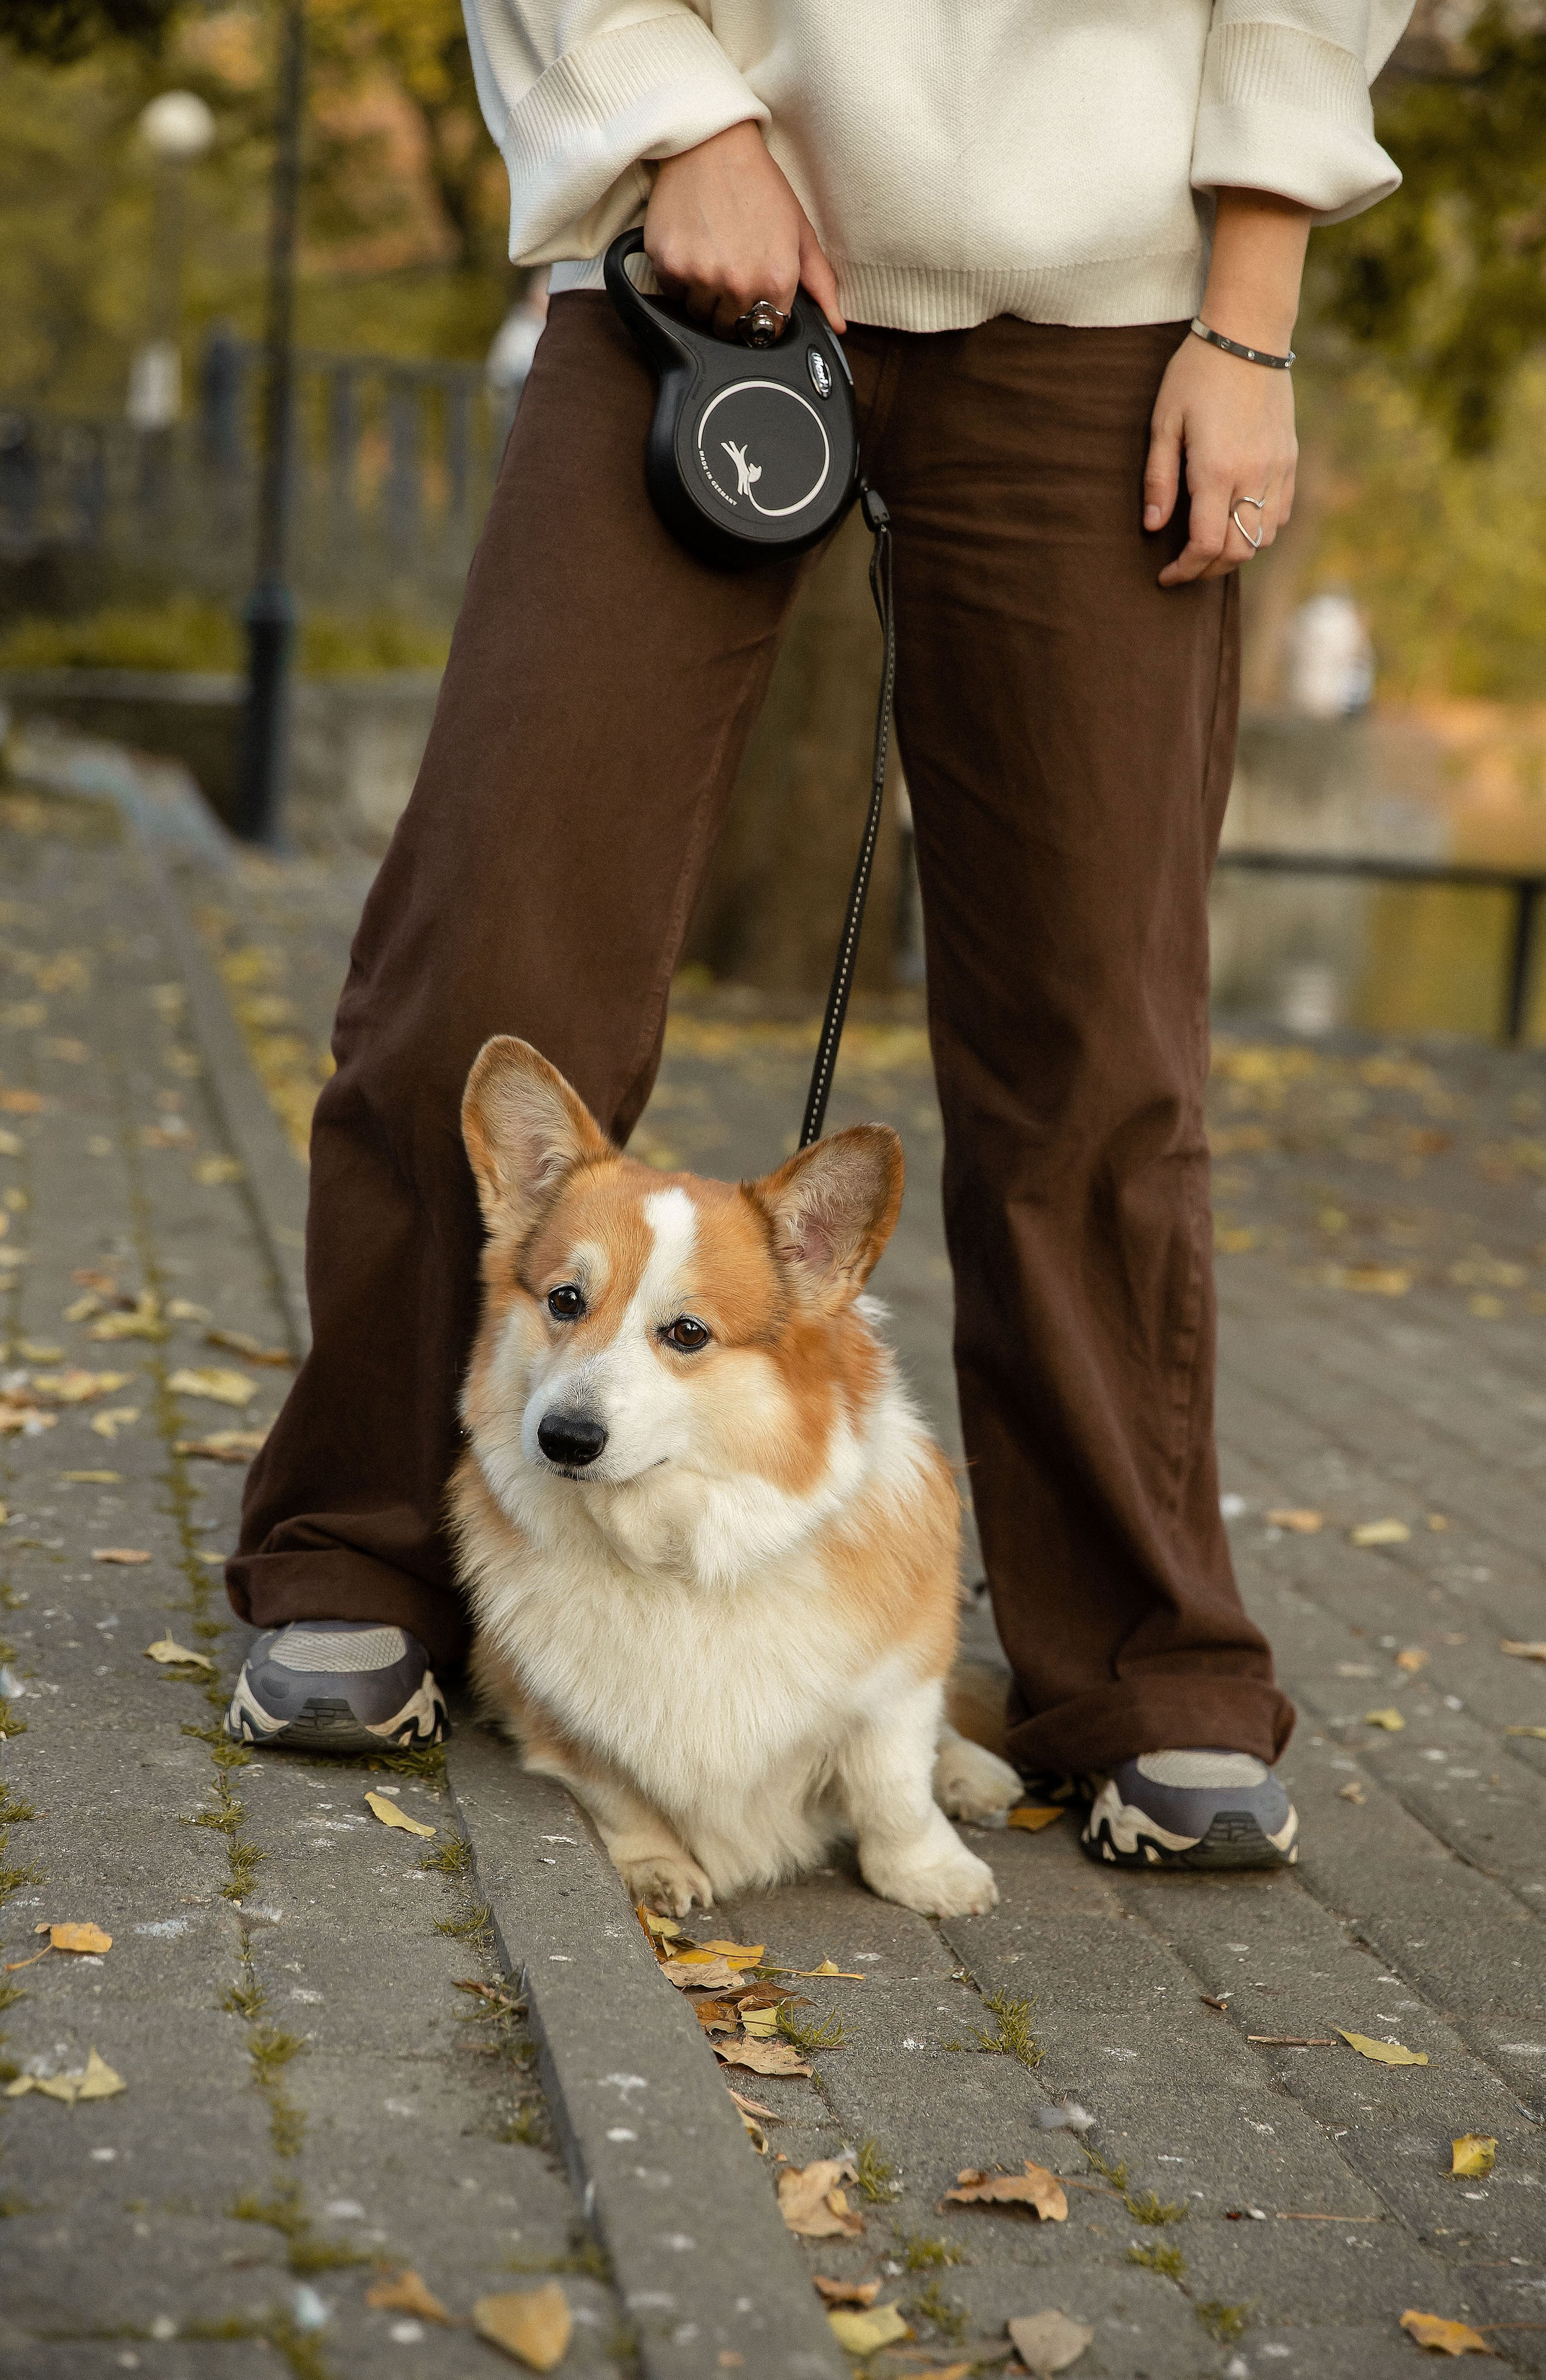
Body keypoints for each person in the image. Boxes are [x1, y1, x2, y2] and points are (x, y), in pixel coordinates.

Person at [223, 0, 1413, 1869]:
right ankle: (363, 1546)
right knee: (486, 957)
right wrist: (678, 123)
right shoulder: (679, 175)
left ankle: (1138, 1660)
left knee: (1097, 1036)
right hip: (687, 253)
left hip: (1112, 301)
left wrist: (1249, 314)